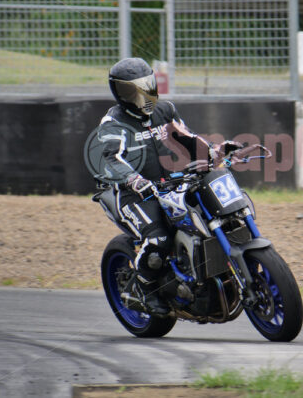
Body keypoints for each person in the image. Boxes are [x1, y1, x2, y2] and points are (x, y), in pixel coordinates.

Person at [96, 57, 239, 315]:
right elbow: (111, 159)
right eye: (133, 89)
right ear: (120, 92)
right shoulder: (113, 123)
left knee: (213, 216)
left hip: (171, 185)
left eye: (146, 84)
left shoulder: (165, 110)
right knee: (158, 238)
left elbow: (188, 139)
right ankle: (142, 287)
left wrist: (216, 152)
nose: (143, 93)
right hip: (135, 196)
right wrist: (136, 181)